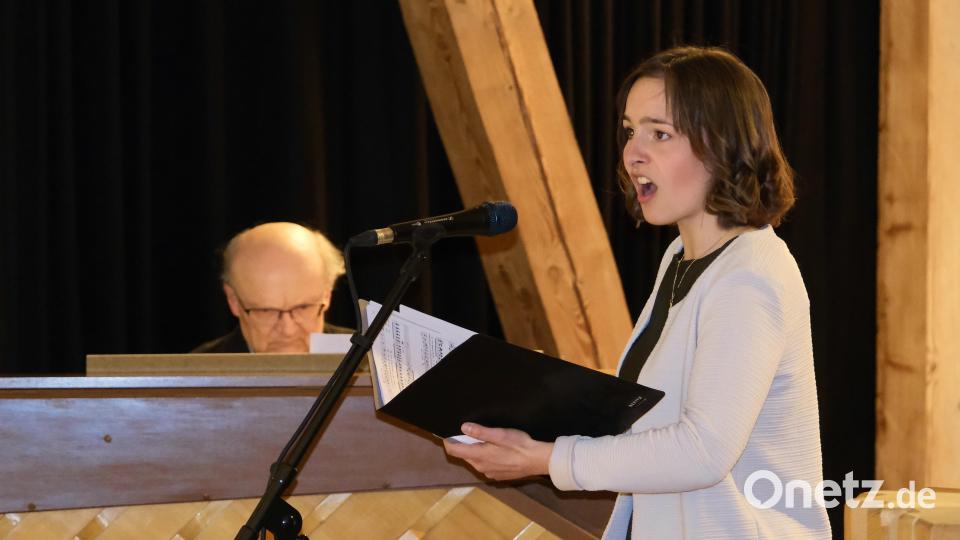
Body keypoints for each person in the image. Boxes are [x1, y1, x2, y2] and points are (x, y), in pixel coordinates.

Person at [443, 46, 832, 539]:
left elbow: (703, 450)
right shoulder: (679, 259)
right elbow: (650, 417)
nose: (632, 153)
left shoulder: (750, 276)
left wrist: (546, 458)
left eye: (660, 133)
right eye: (630, 131)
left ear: (722, 145)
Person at [192, 222, 350, 353]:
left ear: (327, 294)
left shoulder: (370, 362)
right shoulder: (194, 376)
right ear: (233, 300)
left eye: (303, 307)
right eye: (267, 311)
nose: (288, 330)